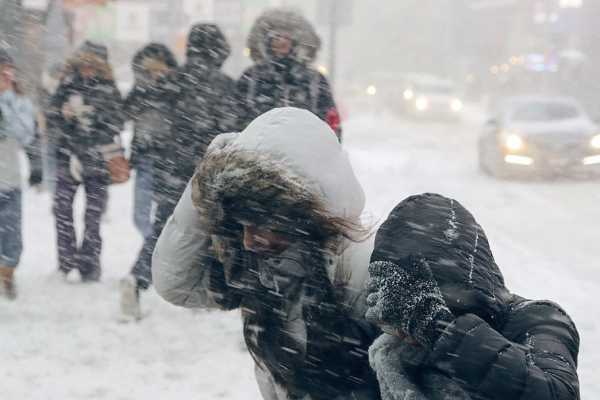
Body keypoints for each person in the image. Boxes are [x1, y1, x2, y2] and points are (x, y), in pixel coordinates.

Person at [152, 107, 382, 399]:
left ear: (307, 217)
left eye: (262, 223)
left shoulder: (361, 269)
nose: (248, 240)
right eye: (241, 224)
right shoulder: (259, 272)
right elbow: (175, 283)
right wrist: (206, 185)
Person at [365, 193, 580, 400]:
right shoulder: (389, 350)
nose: (403, 333)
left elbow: (557, 393)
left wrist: (442, 330)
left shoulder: (536, 318)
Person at [119, 25, 235, 319]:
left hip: (172, 168)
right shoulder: (225, 86)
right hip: (212, 170)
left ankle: (137, 279)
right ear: (219, 51)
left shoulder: (171, 81)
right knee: (216, 231)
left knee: (164, 228)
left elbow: (144, 116)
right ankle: (208, 290)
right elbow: (235, 130)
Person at [47, 41, 124, 282]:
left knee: (92, 216)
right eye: (85, 64)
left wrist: (94, 117)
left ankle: (89, 265)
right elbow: (51, 116)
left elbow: (117, 122)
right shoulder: (68, 84)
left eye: (93, 65)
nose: (88, 69)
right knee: (62, 210)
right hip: (67, 156)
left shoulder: (108, 88)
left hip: (97, 161)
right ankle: (66, 261)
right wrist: (64, 114)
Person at [237, 9, 342, 139]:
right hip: (257, 154)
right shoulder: (251, 78)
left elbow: (331, 121)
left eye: (287, 37)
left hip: (303, 152)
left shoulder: (314, 80)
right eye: (276, 37)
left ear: (295, 42)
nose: (282, 42)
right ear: (267, 42)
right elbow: (237, 118)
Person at [123, 43, 178, 240]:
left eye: (159, 68)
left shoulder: (176, 89)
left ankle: (151, 254)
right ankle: (152, 247)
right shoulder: (139, 90)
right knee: (140, 215)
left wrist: (164, 84)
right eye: (150, 69)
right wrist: (143, 89)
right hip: (144, 157)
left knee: (168, 214)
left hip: (170, 159)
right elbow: (124, 112)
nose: (155, 74)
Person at [0, 49, 36, 299]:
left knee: (13, 241)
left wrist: (7, 101)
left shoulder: (19, 101)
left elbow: (26, 135)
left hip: (10, 181)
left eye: (6, 70)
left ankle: (7, 275)